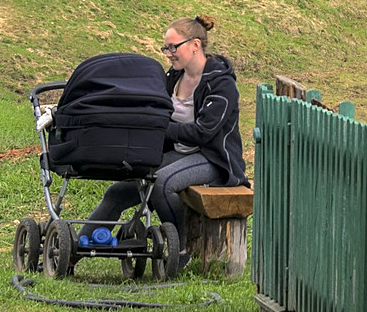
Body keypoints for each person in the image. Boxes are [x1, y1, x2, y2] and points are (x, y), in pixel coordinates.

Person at [85, 15, 247, 237]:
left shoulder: (221, 84)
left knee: (161, 183)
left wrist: (158, 127)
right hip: (180, 154)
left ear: (195, 45)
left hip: (214, 160)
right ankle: (76, 249)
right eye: (166, 48)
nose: (169, 54)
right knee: (118, 192)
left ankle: (182, 247)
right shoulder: (174, 76)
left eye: (173, 47)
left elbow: (202, 133)